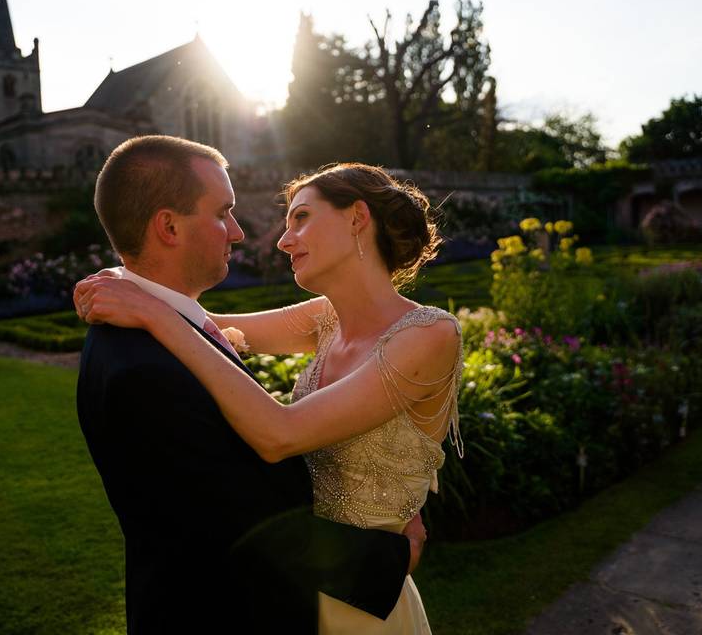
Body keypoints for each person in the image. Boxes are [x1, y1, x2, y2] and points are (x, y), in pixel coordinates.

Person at [76, 159, 464, 634]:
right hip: (294, 586)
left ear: (357, 217)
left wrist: (153, 313)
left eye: (301, 217)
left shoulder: (430, 334)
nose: (283, 240)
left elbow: (281, 433)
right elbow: (206, 324)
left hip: (363, 595)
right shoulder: (325, 317)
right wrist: (125, 277)